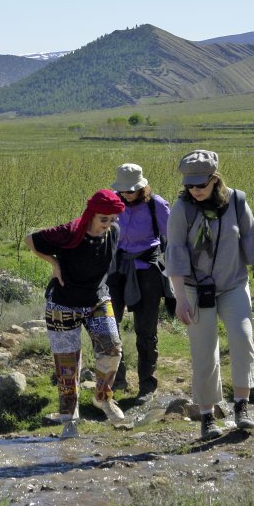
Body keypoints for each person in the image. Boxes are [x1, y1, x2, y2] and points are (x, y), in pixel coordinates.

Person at [165, 150, 254, 441]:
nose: (195, 191)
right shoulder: (181, 209)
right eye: (190, 185)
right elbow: (175, 253)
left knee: (242, 338)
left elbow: (253, 239)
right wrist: (180, 298)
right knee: (205, 351)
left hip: (233, 285)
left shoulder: (237, 202)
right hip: (193, 289)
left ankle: (242, 406)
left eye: (200, 185)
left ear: (215, 180)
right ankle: (206, 416)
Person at [25, 189, 127, 439]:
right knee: (67, 363)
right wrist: (54, 263)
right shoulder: (69, 232)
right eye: (104, 219)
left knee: (112, 349)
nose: (108, 224)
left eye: (112, 219)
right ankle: (70, 418)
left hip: (97, 299)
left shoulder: (113, 231)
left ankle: (103, 398)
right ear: (91, 214)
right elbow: (30, 239)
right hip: (63, 303)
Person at [107, 163, 171, 405]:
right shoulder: (112, 204)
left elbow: (174, 239)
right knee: (109, 326)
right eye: (123, 190)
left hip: (148, 271)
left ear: (142, 186)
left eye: (130, 190)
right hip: (117, 269)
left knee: (146, 330)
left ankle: (147, 385)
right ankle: (117, 380)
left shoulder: (157, 206)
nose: (126, 194)